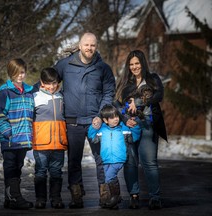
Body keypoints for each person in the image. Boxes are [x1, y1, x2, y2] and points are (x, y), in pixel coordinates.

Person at [54, 32, 116, 208]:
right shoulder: (65, 65)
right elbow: (48, 81)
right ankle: (76, 195)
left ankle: (105, 195)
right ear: (80, 45)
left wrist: (101, 115)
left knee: (101, 158)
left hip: (95, 122)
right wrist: (29, 92)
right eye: (86, 45)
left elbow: (109, 92)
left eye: (93, 45)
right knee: (74, 160)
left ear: (96, 47)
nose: (90, 48)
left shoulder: (103, 68)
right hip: (72, 121)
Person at [114, 50, 167, 210]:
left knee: (149, 163)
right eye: (131, 64)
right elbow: (116, 103)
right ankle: (134, 195)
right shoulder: (124, 82)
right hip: (130, 125)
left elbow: (159, 95)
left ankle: (155, 197)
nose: (134, 67)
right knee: (130, 162)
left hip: (148, 125)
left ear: (143, 63)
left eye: (137, 63)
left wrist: (139, 102)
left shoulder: (152, 79)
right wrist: (124, 119)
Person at [0, 58, 34, 210]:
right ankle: (15, 197)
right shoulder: (5, 92)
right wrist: (8, 133)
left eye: (22, 72)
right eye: (16, 73)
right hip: (10, 139)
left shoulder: (29, 93)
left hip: (23, 139)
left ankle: (10, 198)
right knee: (10, 167)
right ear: (10, 74)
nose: (20, 76)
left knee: (18, 167)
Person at [88, 104, 141, 209]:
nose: (115, 119)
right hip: (106, 159)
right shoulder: (102, 130)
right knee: (108, 178)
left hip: (118, 159)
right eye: (112, 118)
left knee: (109, 176)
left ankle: (115, 197)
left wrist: (135, 127)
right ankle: (115, 200)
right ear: (105, 120)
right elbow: (92, 137)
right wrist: (93, 127)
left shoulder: (123, 128)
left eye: (116, 116)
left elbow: (134, 137)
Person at [32, 67, 68, 209]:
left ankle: (56, 198)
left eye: (54, 83)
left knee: (56, 172)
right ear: (42, 82)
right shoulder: (35, 97)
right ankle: (40, 199)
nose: (52, 86)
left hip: (59, 143)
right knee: (40, 172)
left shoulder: (61, 97)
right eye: (48, 83)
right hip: (41, 143)